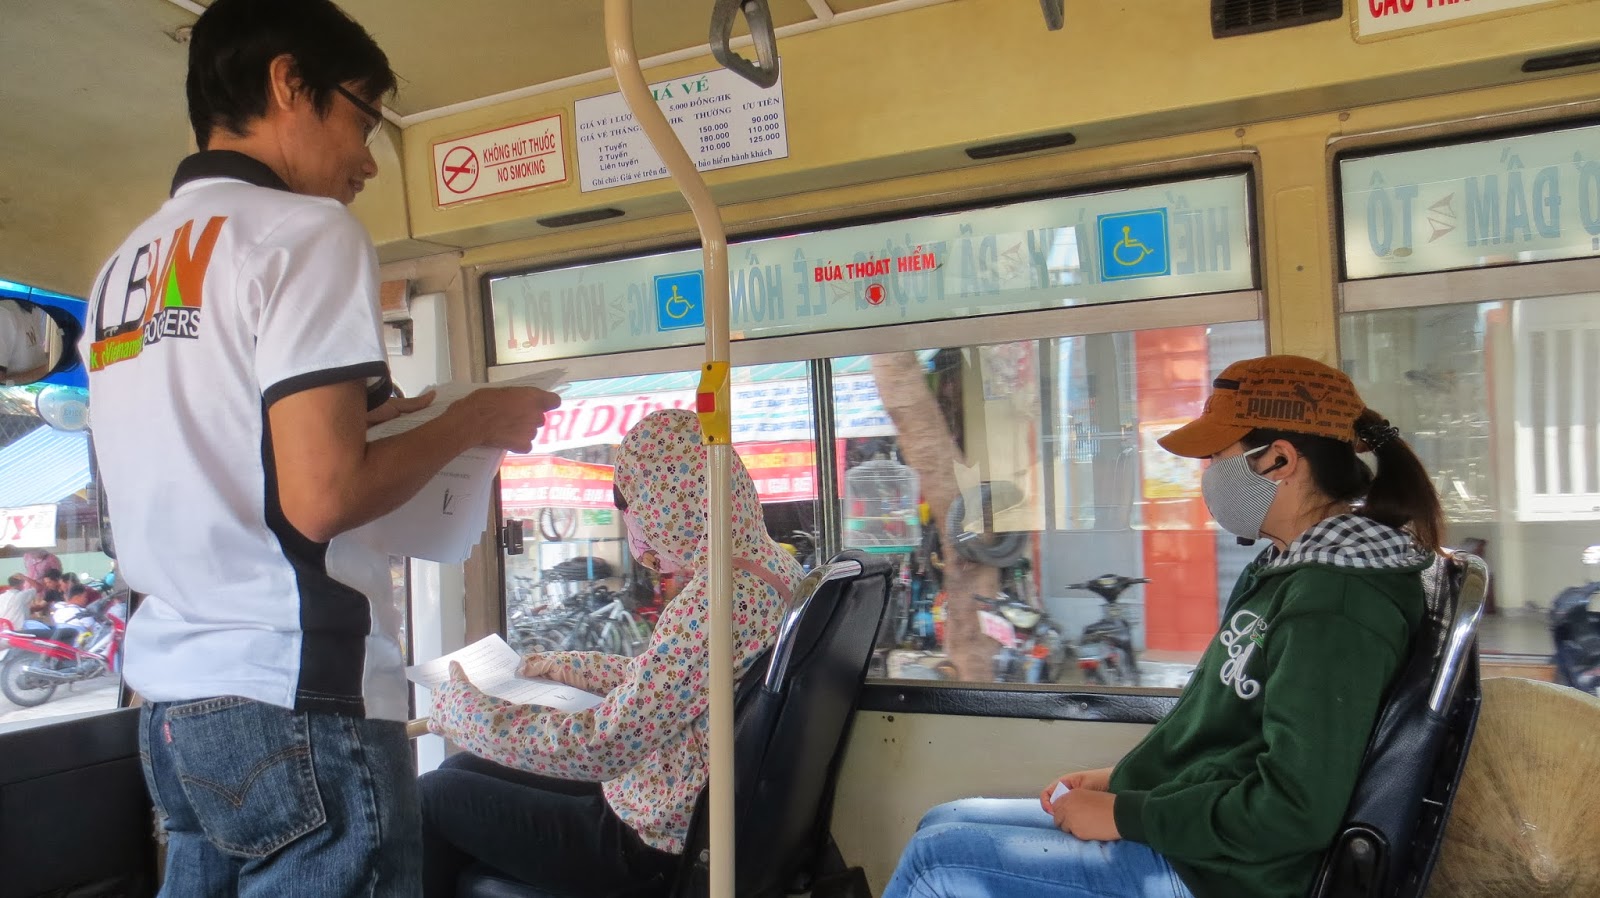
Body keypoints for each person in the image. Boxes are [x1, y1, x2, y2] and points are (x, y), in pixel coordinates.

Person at [79, 0, 560, 893]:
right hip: (296, 691)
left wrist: (398, 421)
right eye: (363, 118)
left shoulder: (125, 268)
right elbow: (322, 497)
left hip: (174, 706)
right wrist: (473, 422)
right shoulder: (305, 232)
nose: (369, 159)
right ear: (289, 84)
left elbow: (235, 448)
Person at [882, 355, 1445, 898]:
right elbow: (1229, 737)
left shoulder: (1336, 603)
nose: (1209, 476)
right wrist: (1123, 780)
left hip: (1225, 876)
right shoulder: (1286, 570)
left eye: (1219, 456)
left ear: (1279, 460)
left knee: (937, 860)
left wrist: (1128, 814)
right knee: (944, 820)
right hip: (1202, 843)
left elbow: (1296, 809)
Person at [423, 409, 804, 896]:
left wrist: (470, 717)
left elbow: (602, 746)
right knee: (461, 769)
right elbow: (674, 678)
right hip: (681, 801)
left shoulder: (715, 601)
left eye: (633, 506)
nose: (634, 528)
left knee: (434, 794)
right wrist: (573, 666)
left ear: (666, 501)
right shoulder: (770, 567)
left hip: (654, 845)